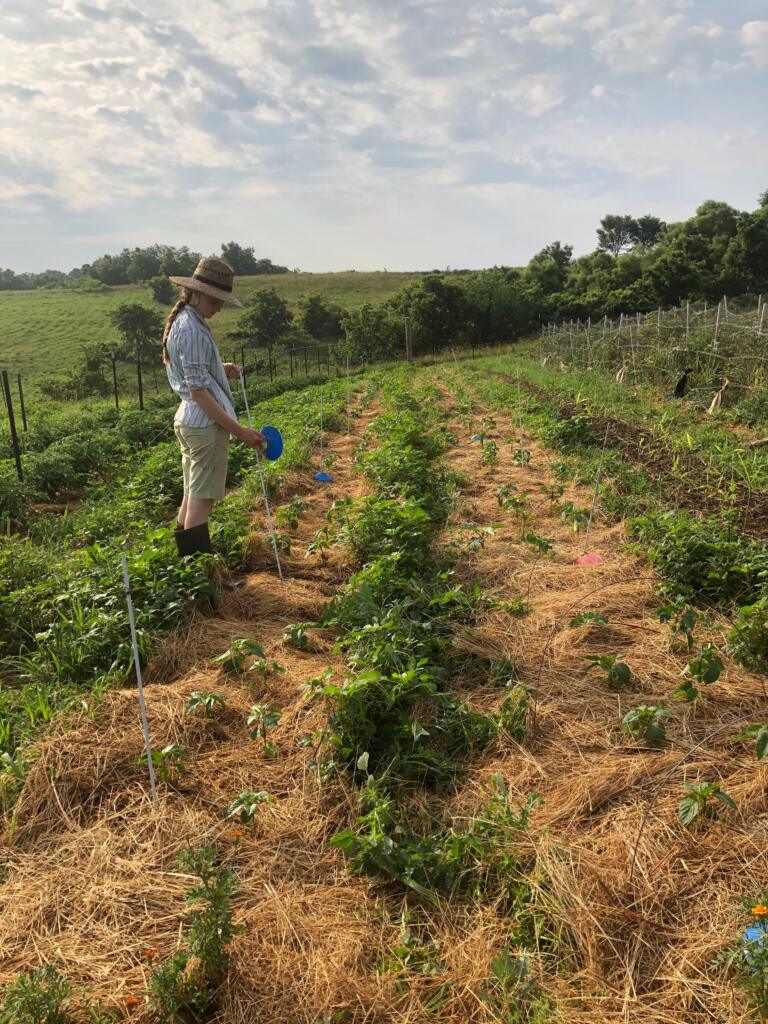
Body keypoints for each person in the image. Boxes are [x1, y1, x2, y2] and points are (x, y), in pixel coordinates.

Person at [162, 256, 264, 563]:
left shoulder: (186, 322)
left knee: (191, 498)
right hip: (204, 426)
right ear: (199, 292)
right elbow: (200, 393)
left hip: (189, 421)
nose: (219, 307)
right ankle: (202, 581)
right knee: (201, 504)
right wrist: (241, 432)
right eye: (217, 300)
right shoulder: (192, 328)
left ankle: (187, 576)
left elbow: (191, 371)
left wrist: (220, 369)